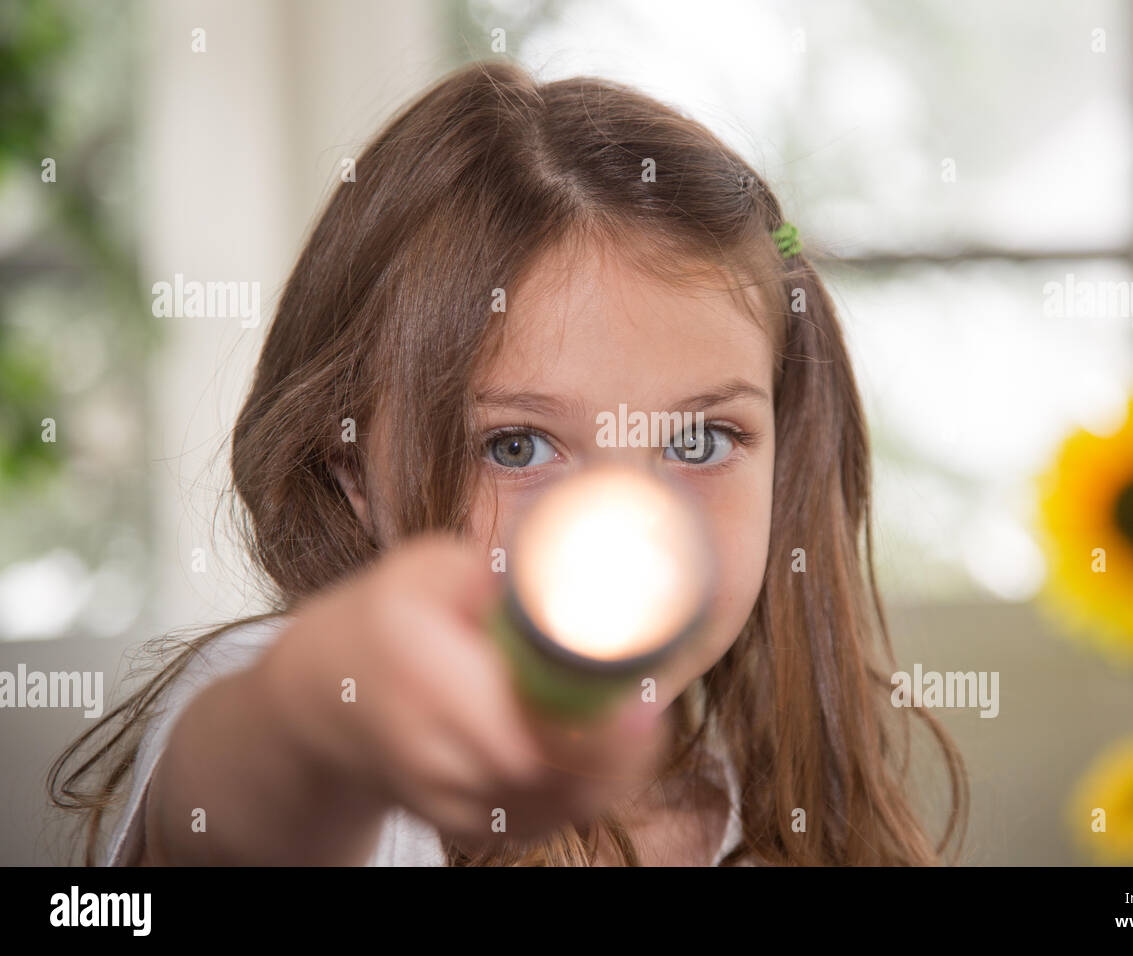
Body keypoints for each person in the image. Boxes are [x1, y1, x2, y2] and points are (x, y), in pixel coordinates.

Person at [49, 59, 967, 866]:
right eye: (516, 447)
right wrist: (319, 708)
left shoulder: (774, 826)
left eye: (699, 440)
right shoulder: (350, 758)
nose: (627, 544)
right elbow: (242, 797)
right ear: (351, 474)